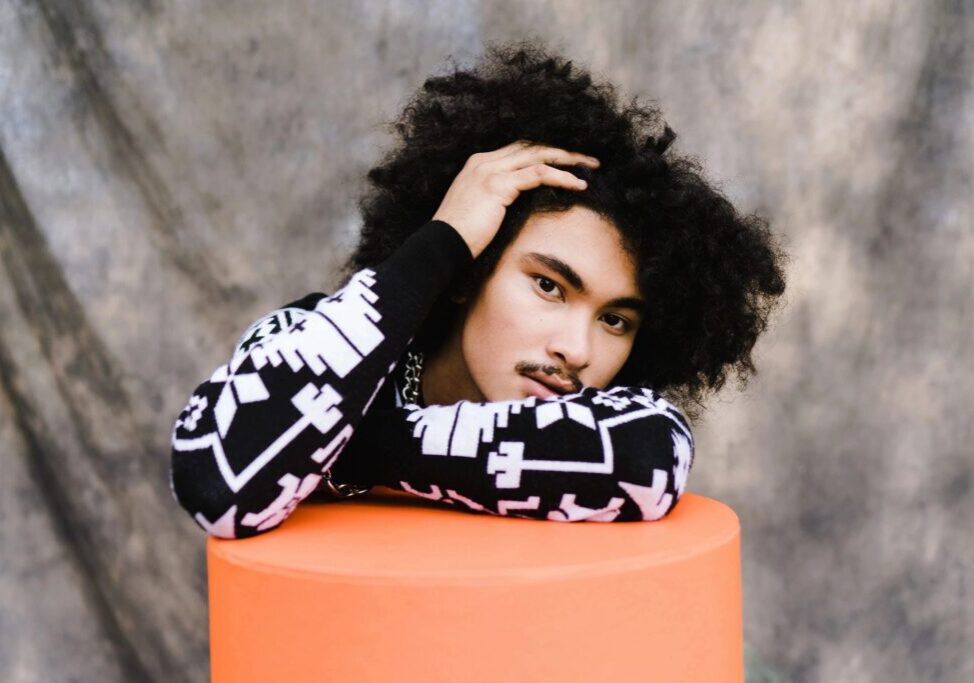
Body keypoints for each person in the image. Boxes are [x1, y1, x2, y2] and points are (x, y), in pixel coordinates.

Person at [170, 42, 787, 538]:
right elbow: (216, 479)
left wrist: (348, 448)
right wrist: (442, 242)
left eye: (616, 320)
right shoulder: (311, 340)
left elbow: (649, 463)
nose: (577, 349)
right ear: (468, 273)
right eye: (549, 285)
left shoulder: (617, 420)